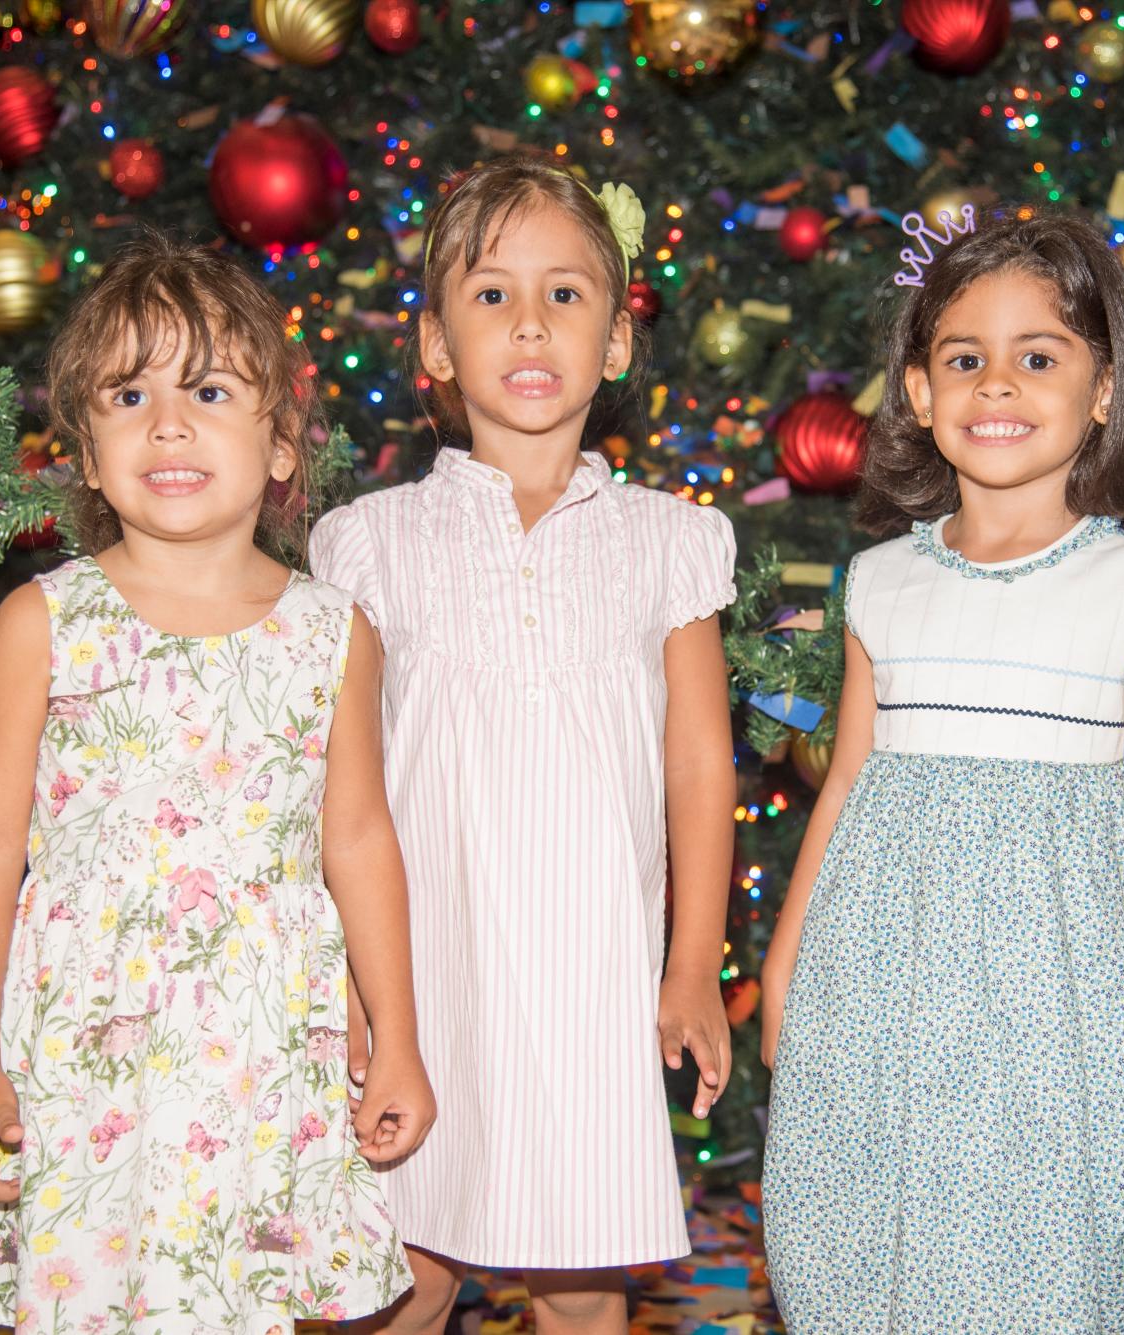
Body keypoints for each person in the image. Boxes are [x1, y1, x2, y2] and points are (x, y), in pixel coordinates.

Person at [0, 235, 433, 1330]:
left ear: (280, 445)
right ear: (87, 456)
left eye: (209, 389)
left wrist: (399, 1036)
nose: (169, 423)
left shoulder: (335, 633)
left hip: (261, 1060)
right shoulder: (43, 624)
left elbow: (360, 843)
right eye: (128, 394)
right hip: (84, 1055)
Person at [758, 209, 1124, 1332]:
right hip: (882, 989)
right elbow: (845, 782)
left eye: (1036, 357)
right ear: (915, 388)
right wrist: (786, 962)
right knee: (872, 1228)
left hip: (1062, 999)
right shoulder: (881, 580)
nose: (996, 384)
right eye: (963, 358)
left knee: (1038, 1251)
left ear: (1101, 390)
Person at [312, 155, 737, 1335]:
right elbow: (336, 784)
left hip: (588, 987)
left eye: (567, 293)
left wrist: (692, 958)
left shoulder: (670, 544)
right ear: (435, 346)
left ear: (615, 346)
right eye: (490, 294)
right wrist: (348, 989)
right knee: (400, 1274)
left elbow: (700, 763)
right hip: (417, 976)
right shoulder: (367, 545)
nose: (531, 321)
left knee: (580, 1287)